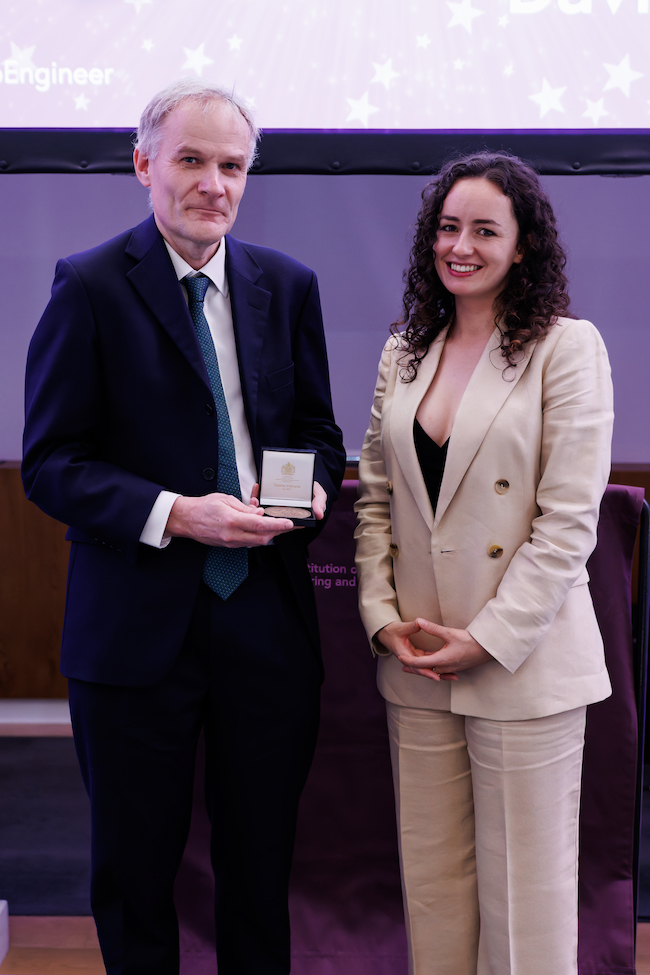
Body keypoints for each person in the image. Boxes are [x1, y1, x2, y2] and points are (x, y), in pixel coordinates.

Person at [22, 79, 345, 975]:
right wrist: (175, 514)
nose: (214, 182)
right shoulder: (87, 285)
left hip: (265, 622)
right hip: (135, 627)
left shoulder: (288, 284)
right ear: (143, 164)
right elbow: (51, 462)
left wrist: (312, 488)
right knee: (136, 873)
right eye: (192, 160)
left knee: (259, 867)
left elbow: (316, 434)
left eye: (232, 165)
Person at [354, 152, 613, 975]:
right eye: (448, 226)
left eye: (485, 230)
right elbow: (373, 497)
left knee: (524, 904)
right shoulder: (406, 349)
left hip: (519, 658)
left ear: (524, 245)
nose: (460, 245)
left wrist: (488, 638)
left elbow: (568, 523)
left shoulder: (566, 348)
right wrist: (383, 617)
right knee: (434, 890)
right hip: (420, 657)